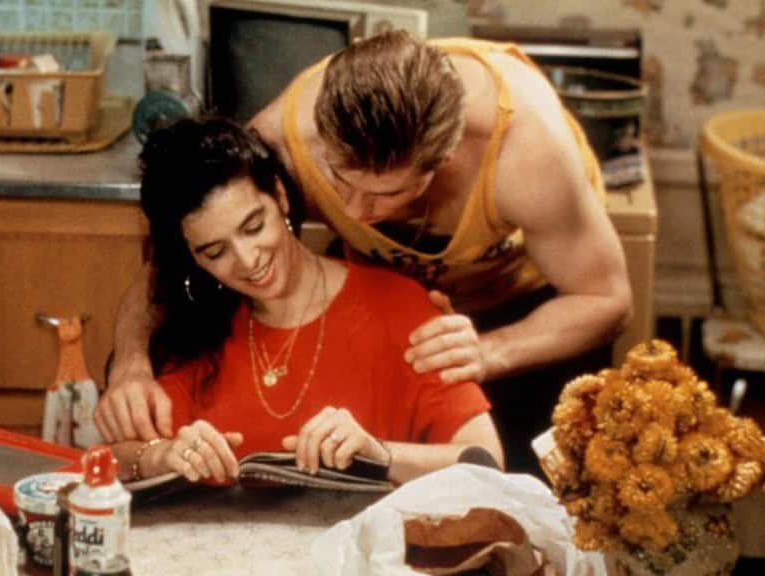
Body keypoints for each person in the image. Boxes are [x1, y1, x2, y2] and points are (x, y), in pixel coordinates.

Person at [100, 31, 632, 476]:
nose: (354, 213)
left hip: (532, 306)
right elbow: (178, 257)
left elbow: (606, 299)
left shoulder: (526, 152)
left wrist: (491, 351)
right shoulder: (283, 142)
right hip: (386, 289)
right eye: (338, 182)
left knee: (528, 494)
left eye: (386, 194)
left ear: (443, 161)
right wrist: (129, 361)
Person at [103, 117, 502, 485]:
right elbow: (111, 457)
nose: (248, 260)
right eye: (215, 252)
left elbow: (486, 463)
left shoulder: (401, 308)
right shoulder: (197, 321)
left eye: (254, 226)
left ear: (280, 197)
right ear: (192, 255)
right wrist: (162, 457)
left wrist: (382, 455)